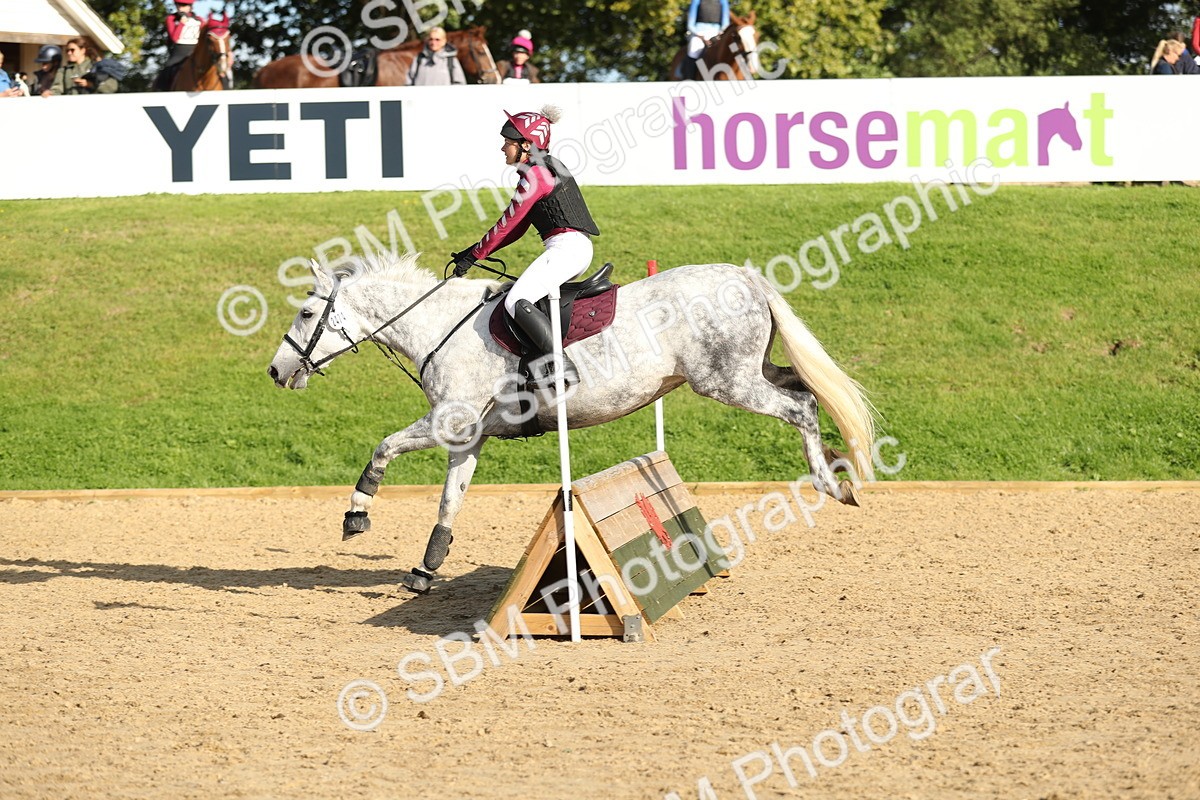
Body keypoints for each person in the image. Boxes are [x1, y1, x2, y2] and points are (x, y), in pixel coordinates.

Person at [450, 106, 601, 389]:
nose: (502, 148)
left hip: (567, 248)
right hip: (571, 247)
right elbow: (518, 228)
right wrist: (476, 250)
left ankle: (560, 366)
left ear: (526, 145)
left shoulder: (536, 174)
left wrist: (475, 254)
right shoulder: (542, 168)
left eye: (508, 142)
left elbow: (508, 222)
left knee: (515, 301)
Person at [156, 1, 205, 90]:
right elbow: (174, 38)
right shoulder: (171, 19)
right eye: (178, 5)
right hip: (179, 53)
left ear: (190, 6)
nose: (180, 8)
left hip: (194, 52)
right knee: (165, 74)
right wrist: (182, 24)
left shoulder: (199, 20)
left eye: (184, 5)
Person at [47, 37, 118, 95]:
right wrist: (50, 93)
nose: (69, 53)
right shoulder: (64, 70)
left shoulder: (96, 67)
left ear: (82, 50)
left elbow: (112, 87)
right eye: (67, 50)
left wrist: (90, 85)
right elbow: (57, 89)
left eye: (72, 50)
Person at [683, 0, 729, 79]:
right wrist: (701, 36)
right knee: (694, 50)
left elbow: (726, 22)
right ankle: (689, 78)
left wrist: (720, 33)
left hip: (717, 33)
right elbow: (690, 24)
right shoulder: (696, 1)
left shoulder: (723, 1)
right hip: (699, 33)